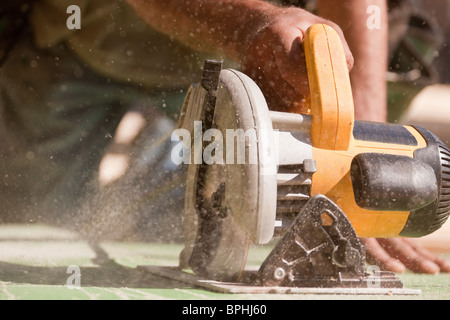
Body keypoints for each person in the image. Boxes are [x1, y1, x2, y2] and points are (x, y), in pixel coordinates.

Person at [1, 0, 448, 274]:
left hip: (246, 56)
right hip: (84, 35)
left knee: (185, 217)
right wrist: (244, 26)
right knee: (32, 212)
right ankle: (167, 160)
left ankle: (168, 167)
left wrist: (362, 141)